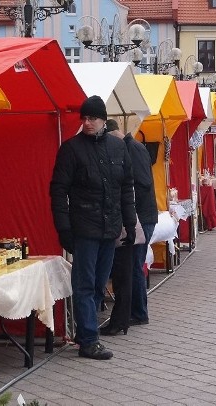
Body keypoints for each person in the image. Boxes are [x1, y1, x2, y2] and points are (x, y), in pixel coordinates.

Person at [50, 95, 137, 360]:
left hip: (109, 228)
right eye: (84, 118)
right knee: (85, 284)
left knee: (99, 284)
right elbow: (58, 191)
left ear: (102, 120)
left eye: (93, 118)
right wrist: (64, 229)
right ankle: (88, 339)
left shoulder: (118, 148)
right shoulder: (71, 149)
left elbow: (126, 187)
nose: (87, 123)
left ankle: (86, 332)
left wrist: (129, 222)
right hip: (84, 228)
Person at [100, 120, 158, 335]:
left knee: (133, 267)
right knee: (133, 266)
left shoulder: (132, 149)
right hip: (142, 216)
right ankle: (136, 312)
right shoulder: (133, 147)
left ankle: (139, 313)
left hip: (142, 217)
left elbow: (142, 183)